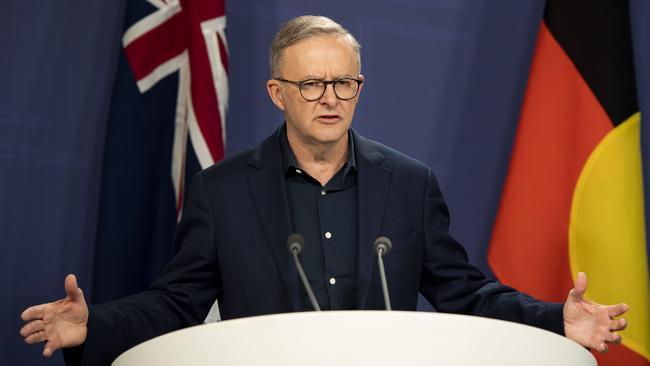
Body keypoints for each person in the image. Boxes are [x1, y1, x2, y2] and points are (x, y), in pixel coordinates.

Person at [20, 15, 628, 365]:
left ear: (359, 88)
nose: (330, 98)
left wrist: (555, 321)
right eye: (310, 85)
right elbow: (176, 304)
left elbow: (465, 293)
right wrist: (92, 325)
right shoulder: (224, 190)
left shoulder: (410, 184)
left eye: (344, 83)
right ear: (276, 93)